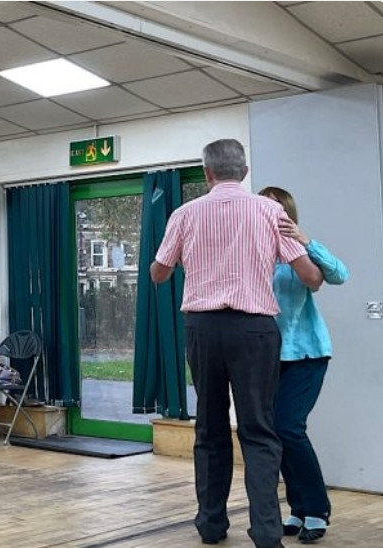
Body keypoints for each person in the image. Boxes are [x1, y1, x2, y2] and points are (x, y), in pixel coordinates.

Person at [150, 139, 323, 548]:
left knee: (209, 427)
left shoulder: (184, 213)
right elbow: (311, 277)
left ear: (207, 173)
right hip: (255, 330)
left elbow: (159, 274)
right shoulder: (269, 211)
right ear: (244, 172)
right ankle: (266, 533)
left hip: (203, 329)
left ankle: (211, 526)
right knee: (259, 431)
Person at [258, 186, 348, 544]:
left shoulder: (299, 250)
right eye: (265, 207)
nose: (272, 214)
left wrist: (306, 241)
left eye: (278, 209)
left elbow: (338, 275)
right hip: (266, 358)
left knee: (288, 427)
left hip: (307, 354)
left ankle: (317, 509)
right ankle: (297, 509)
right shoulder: (255, 251)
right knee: (277, 435)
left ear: (288, 214)